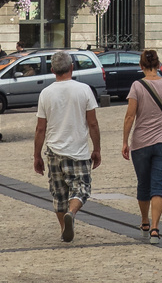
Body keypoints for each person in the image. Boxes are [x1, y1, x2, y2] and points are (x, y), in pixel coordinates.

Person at [34, 50, 102, 243]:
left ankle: (65, 228)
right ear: (72, 67)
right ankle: (71, 214)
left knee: (59, 193)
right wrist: (96, 149)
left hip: (54, 151)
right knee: (81, 189)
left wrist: (36, 155)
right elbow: (93, 123)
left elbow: (40, 128)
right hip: (78, 151)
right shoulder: (84, 90)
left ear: (53, 69)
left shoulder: (45, 93)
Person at [122, 48, 162, 244]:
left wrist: (124, 141)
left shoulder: (136, 87)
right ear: (157, 64)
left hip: (141, 142)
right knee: (158, 186)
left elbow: (130, 116)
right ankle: (155, 228)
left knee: (143, 183)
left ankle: (145, 222)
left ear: (141, 66)